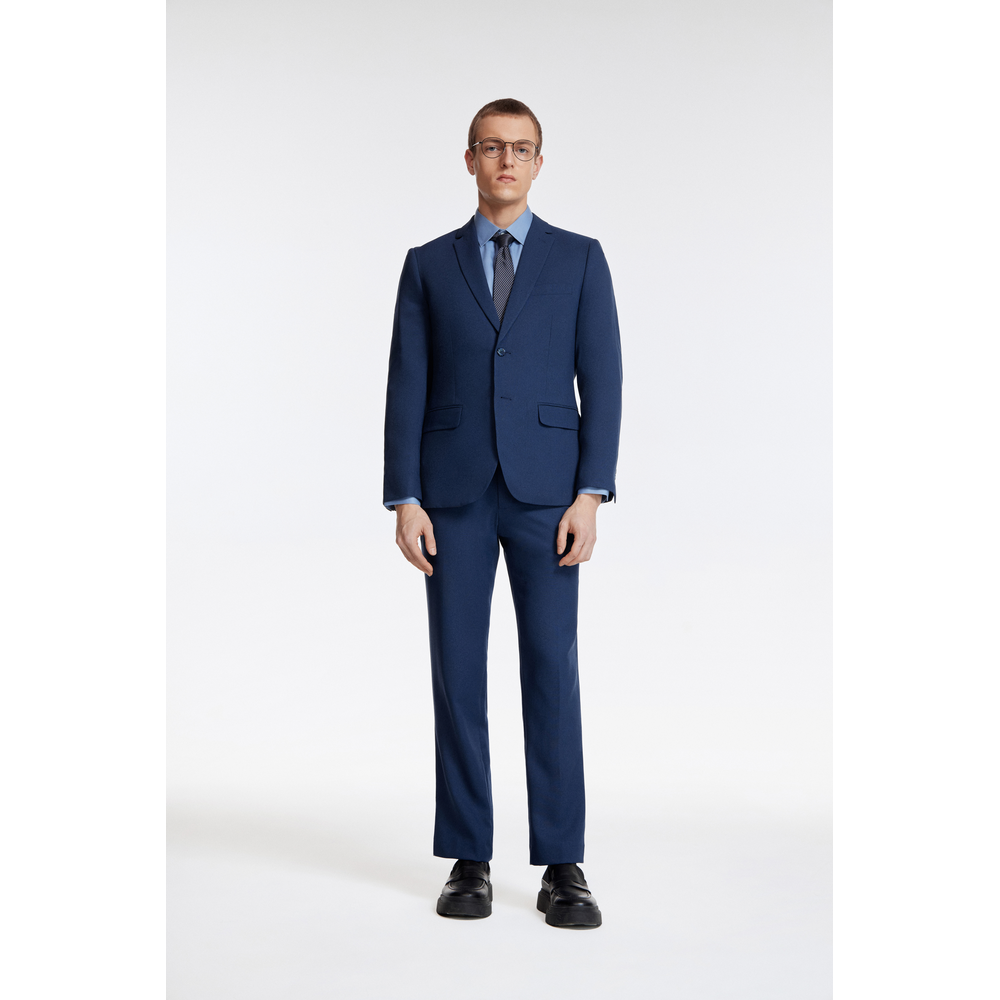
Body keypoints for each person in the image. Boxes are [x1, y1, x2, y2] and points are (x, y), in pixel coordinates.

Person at [382, 98, 622, 929]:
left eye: (521, 149)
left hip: (549, 496)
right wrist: (404, 497)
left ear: (539, 163)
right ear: (470, 160)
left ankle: (563, 863)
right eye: (492, 147)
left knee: (551, 669)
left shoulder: (580, 259)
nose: (507, 161)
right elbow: (405, 383)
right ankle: (468, 857)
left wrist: (591, 492)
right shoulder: (427, 264)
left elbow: (604, 379)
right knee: (458, 673)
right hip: (451, 496)